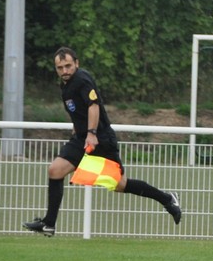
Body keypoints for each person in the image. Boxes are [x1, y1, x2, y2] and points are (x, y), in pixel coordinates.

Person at [23, 47, 181, 236]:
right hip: (81, 138)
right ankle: (49, 224)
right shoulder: (66, 85)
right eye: (60, 67)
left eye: (68, 66)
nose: (64, 71)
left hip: (100, 139)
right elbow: (78, 109)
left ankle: (167, 199)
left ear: (77, 63)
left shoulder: (82, 79)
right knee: (55, 170)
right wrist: (78, 127)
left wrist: (91, 132)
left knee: (119, 185)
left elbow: (93, 105)